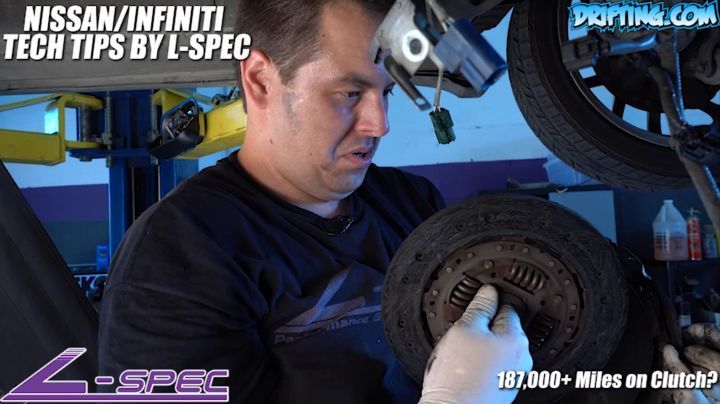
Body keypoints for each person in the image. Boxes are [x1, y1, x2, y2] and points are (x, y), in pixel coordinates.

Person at [98, 0, 532, 402]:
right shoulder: (174, 259)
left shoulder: (412, 202)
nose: (380, 124)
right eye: (350, 94)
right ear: (260, 80)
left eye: (386, 93)